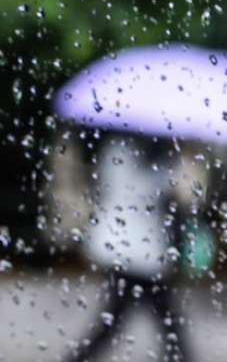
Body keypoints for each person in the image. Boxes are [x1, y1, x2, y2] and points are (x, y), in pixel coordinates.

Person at [64, 133, 194, 361]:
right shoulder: (156, 159)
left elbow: (104, 186)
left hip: (119, 244)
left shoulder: (115, 149)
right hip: (141, 250)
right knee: (156, 315)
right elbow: (158, 197)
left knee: (122, 316)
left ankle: (79, 358)